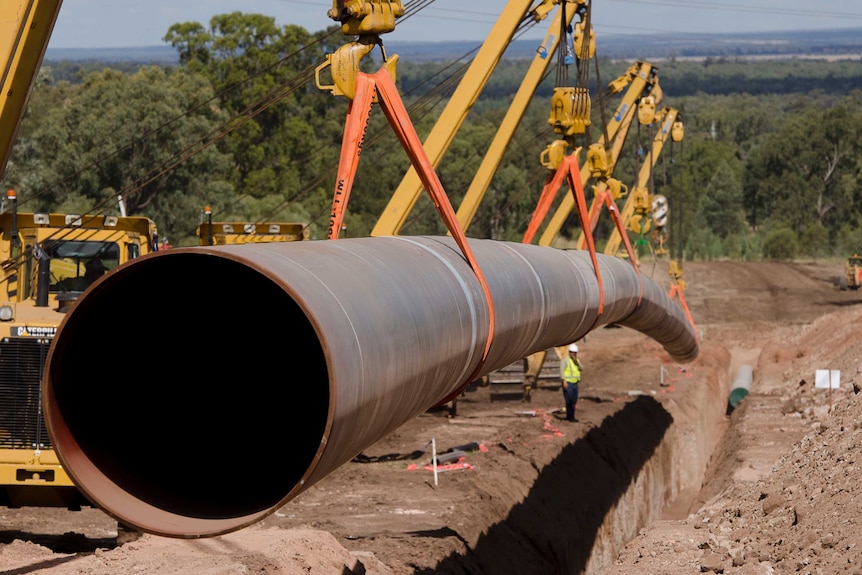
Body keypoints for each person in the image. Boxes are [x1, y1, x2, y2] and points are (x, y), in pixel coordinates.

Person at [560, 343, 583, 422]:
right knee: (569, 400)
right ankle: (570, 416)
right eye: (572, 353)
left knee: (574, 400)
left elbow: (581, 368)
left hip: (575, 383)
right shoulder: (565, 360)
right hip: (568, 383)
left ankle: (571, 415)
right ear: (569, 352)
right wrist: (564, 381)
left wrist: (576, 362)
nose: (574, 354)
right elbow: (562, 371)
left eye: (575, 353)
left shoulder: (576, 361)